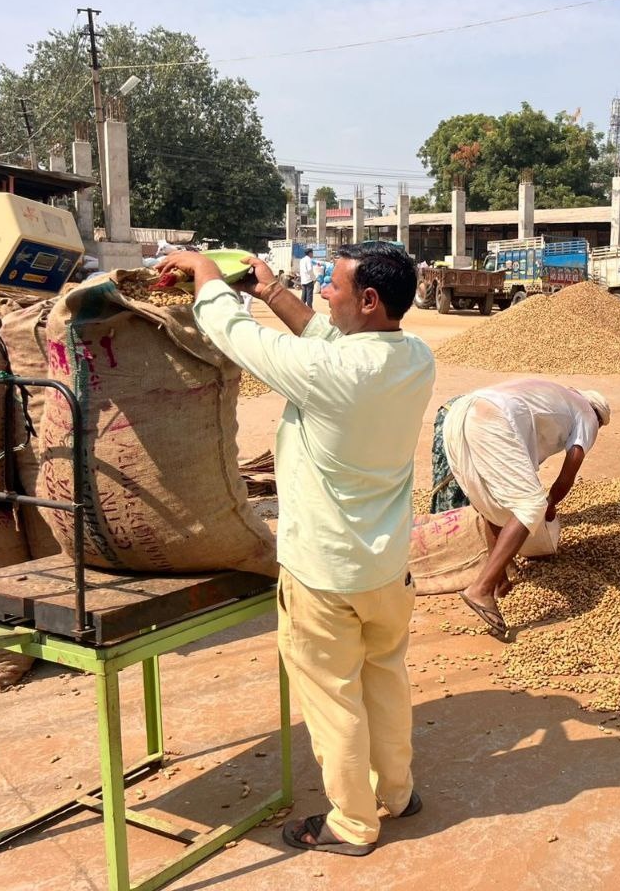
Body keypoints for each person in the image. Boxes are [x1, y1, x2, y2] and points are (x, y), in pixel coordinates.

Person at [157, 240, 435, 858]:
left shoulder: (327, 375)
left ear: (367, 299)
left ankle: (353, 823)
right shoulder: (414, 356)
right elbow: (328, 341)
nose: (323, 295)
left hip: (324, 573)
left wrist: (206, 276)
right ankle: (397, 792)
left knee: (334, 698)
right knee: (384, 679)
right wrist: (274, 293)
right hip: (385, 569)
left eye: (331, 286)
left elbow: (240, 338)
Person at [430, 379, 610, 640]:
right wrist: (550, 505)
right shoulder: (588, 414)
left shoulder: (557, 397)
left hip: (460, 412)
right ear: (599, 417)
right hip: (493, 416)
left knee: (490, 499)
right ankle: (482, 587)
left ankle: (500, 577)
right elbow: (570, 470)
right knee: (531, 503)